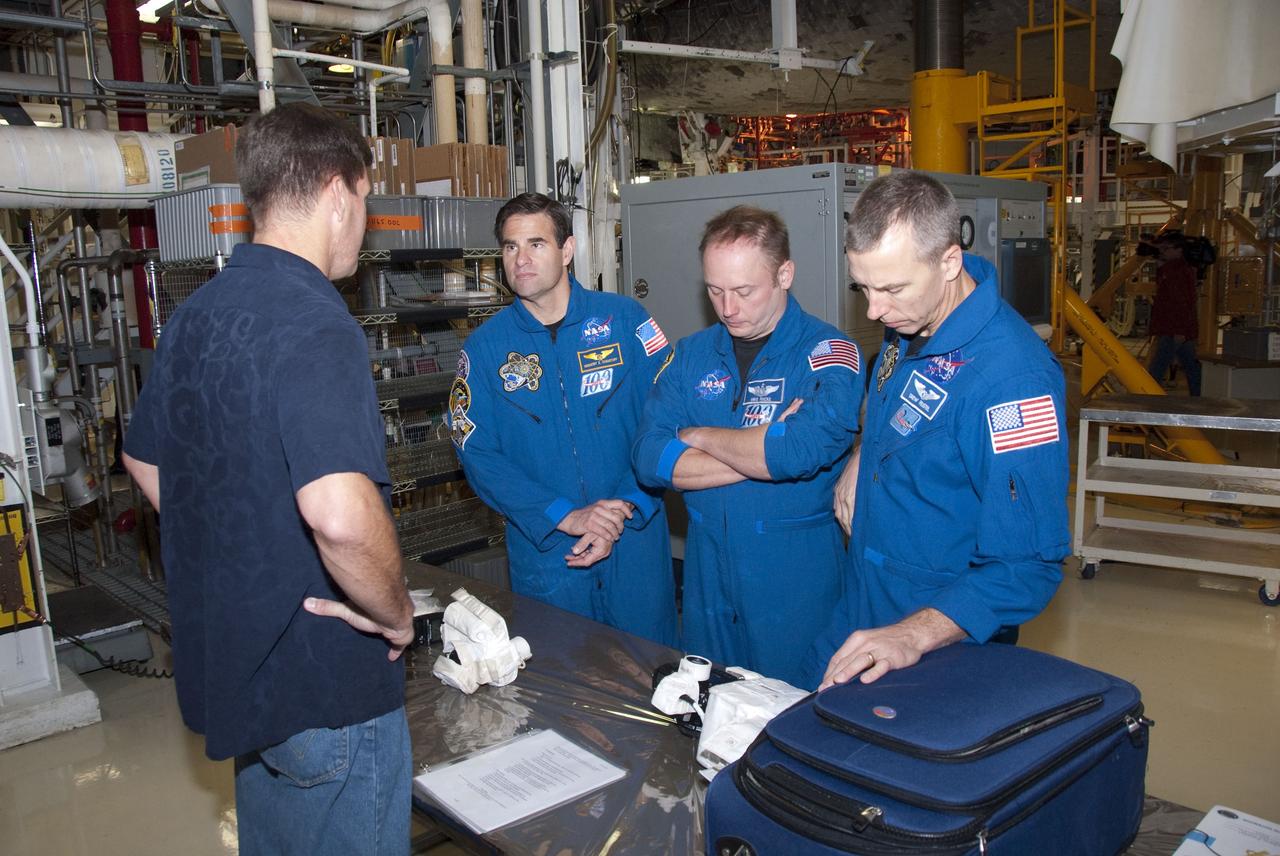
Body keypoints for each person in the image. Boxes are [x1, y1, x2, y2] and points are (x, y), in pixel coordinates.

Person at [123, 103, 414, 855]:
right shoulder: (318, 322)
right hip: (327, 686)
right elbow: (340, 517)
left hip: (245, 669)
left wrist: (251, 556)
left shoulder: (198, 314)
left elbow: (145, 459)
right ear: (339, 193)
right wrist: (393, 613)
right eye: (366, 200)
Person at [807, 171, 1068, 691]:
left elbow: (1028, 566)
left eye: (889, 289)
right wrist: (865, 453)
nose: (873, 309)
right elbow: (901, 410)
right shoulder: (913, 314)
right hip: (863, 597)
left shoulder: (1013, 381)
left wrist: (913, 635)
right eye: (863, 287)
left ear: (950, 261)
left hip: (937, 642)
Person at [633, 206, 864, 688]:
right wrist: (758, 453)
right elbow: (649, 458)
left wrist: (697, 436)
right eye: (714, 290)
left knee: (798, 717)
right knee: (709, 709)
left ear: (784, 274)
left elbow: (800, 450)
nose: (727, 308)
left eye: (743, 291)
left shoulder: (829, 352)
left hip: (794, 575)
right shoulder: (691, 356)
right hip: (705, 578)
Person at [449, 192, 676, 645]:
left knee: (656, 684)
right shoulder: (484, 350)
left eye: (536, 244)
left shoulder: (625, 322)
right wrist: (565, 516)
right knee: (563, 693)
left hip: (634, 542)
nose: (521, 259)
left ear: (567, 250)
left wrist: (628, 504)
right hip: (550, 554)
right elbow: (477, 454)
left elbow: (671, 416)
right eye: (511, 247)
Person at [1146, 233, 1202, 396]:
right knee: (1190, 365)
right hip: (1176, 328)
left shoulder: (1177, 271)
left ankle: (1147, 397)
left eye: (1165, 248)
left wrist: (1180, 330)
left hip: (1173, 329)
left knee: (1158, 366)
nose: (1162, 252)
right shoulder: (1176, 269)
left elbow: (1182, 302)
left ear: (1179, 250)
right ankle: (1197, 397)